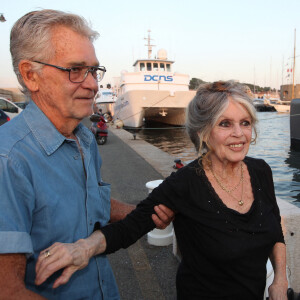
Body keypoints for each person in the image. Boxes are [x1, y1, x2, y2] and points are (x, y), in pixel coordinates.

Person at [36, 80, 289, 300]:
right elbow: (130, 227)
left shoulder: (260, 171)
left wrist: (280, 280)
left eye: (245, 123)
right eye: (225, 124)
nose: (239, 134)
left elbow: (274, 228)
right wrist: (83, 248)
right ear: (203, 132)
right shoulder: (186, 183)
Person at [0, 9, 173, 299]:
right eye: (75, 70)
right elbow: (8, 291)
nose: (93, 84)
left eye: (93, 70)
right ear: (31, 75)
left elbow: (91, 204)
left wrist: (148, 213)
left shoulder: (84, 140)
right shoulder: (9, 161)